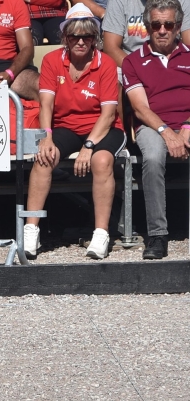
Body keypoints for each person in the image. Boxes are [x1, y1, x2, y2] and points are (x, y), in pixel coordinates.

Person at [24, 4, 126, 259]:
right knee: (44, 157)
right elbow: (46, 103)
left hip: (103, 128)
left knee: (102, 160)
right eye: (74, 36)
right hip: (66, 125)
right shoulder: (51, 60)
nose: (81, 41)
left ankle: (101, 233)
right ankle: (31, 230)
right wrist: (46, 136)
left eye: (87, 36)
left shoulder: (105, 63)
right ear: (65, 37)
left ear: (95, 38)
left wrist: (88, 147)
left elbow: (108, 115)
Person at [122, 0, 190, 259]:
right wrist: (168, 133)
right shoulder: (133, 61)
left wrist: (186, 127)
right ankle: (158, 236)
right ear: (148, 27)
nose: (162, 30)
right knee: (151, 156)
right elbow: (140, 108)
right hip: (152, 124)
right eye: (156, 25)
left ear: (178, 26)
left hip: (187, 123)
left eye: (168, 24)